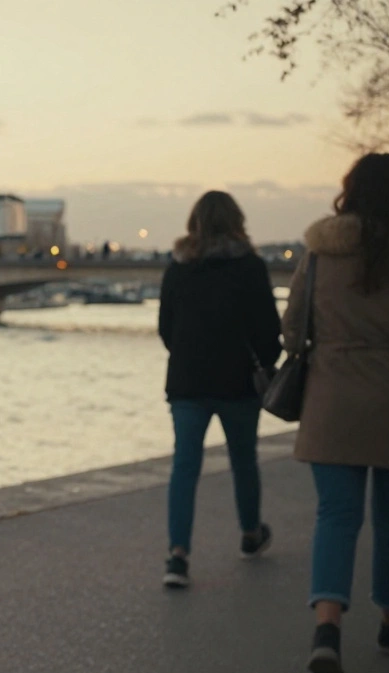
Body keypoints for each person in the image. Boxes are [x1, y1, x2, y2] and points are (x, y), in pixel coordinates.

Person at [285, 153, 389, 673]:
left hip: (332, 399)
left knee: (336, 516)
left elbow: (292, 329)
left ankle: (327, 630)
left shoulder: (319, 255)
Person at [157, 190, 281, 588]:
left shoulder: (178, 268)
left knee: (185, 467)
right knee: (244, 460)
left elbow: (166, 328)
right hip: (238, 382)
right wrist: (263, 361)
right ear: (236, 221)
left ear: (194, 222)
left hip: (187, 382)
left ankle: (178, 556)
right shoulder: (250, 267)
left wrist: (188, 354)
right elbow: (269, 330)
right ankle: (250, 534)